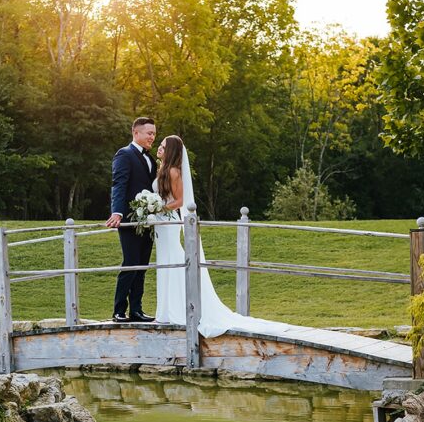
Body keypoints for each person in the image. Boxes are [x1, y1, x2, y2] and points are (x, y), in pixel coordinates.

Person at [153, 136, 292, 339]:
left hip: (168, 221)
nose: (159, 147)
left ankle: (175, 309)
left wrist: (159, 208)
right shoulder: (162, 170)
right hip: (159, 224)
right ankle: (164, 310)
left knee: (173, 258)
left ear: (171, 150)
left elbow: (180, 200)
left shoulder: (174, 172)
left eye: (163, 146)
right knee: (163, 261)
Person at [106, 117, 157, 322]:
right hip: (129, 219)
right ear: (136, 133)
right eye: (149, 133)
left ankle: (136, 309)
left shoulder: (151, 159)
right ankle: (119, 310)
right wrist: (117, 212)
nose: (152, 137)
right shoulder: (124, 154)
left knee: (142, 265)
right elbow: (119, 185)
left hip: (148, 221)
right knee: (131, 263)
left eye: (154, 133)